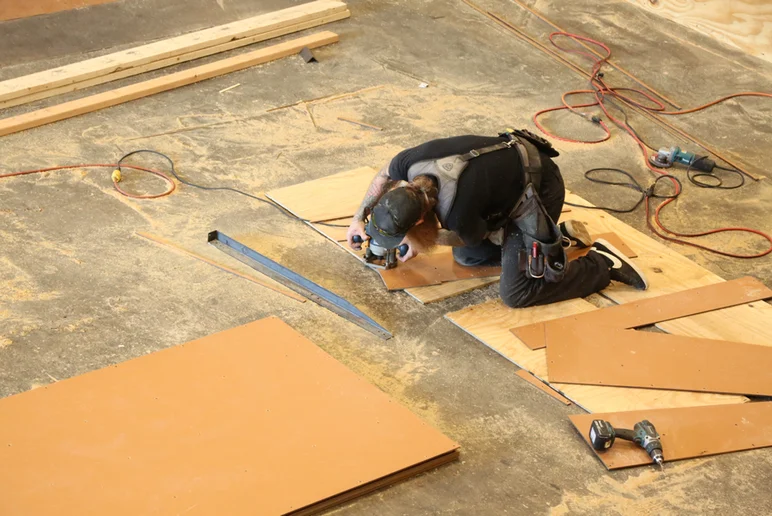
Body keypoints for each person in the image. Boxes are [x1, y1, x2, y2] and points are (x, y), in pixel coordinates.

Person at [346, 131, 648, 308]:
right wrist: (359, 216)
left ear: (417, 222)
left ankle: (603, 264)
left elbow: (467, 235)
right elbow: (384, 175)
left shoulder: (458, 214)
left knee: (516, 292)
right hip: (510, 169)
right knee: (469, 259)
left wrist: (417, 241)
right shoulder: (409, 163)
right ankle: (559, 238)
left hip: (539, 190)